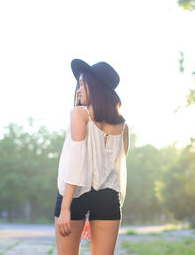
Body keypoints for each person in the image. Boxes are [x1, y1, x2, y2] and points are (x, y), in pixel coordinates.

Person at [54, 59, 129, 255]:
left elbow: (76, 162)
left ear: (95, 87)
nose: (78, 90)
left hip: (75, 194)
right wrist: (93, 209)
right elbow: (116, 169)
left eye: (82, 84)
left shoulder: (79, 113)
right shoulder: (123, 126)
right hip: (108, 198)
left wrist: (65, 208)